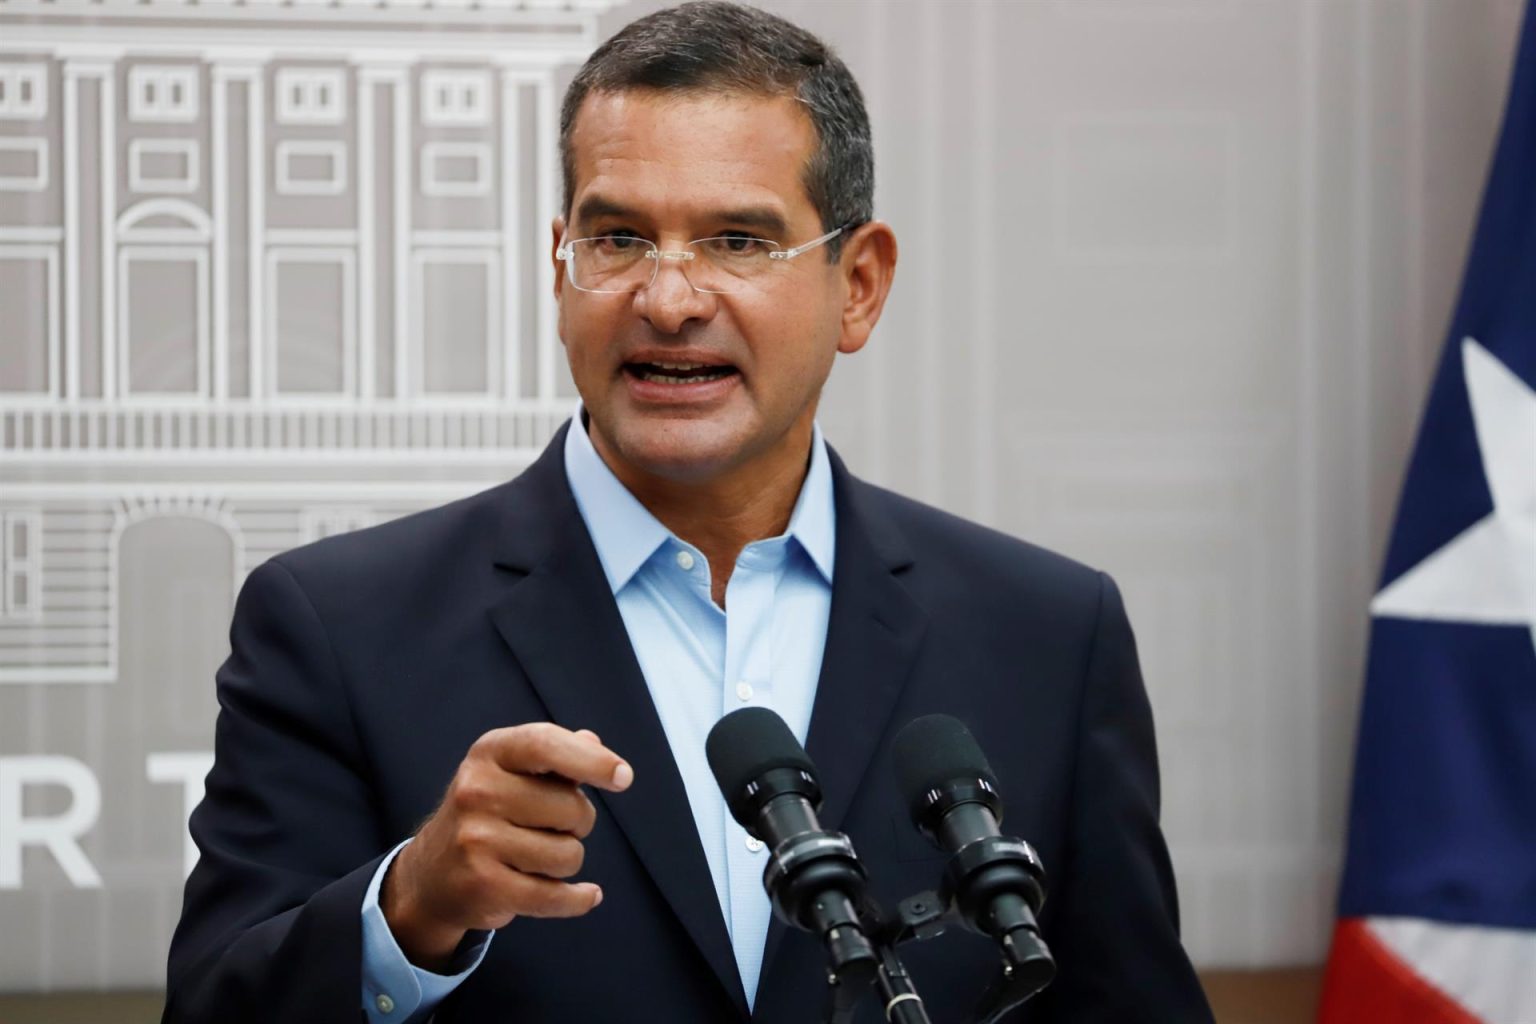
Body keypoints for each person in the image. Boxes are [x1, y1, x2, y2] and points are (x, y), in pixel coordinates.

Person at [163, 3, 1213, 1022]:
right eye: (618, 237)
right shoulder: (339, 625)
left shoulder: (1047, 634)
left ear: (859, 283)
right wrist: (409, 911)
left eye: (738, 241)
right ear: (559, 263)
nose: (668, 299)